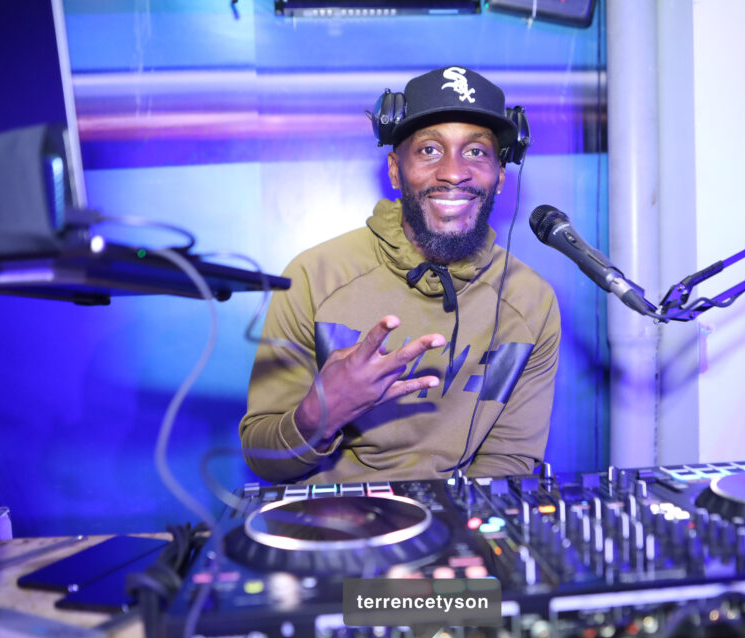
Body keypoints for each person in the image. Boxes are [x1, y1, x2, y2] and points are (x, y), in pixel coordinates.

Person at [239, 66, 560, 484]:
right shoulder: (314, 276)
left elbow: (509, 460)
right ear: (395, 170)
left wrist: (456, 519)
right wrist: (320, 415)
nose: (453, 172)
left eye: (476, 152)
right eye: (429, 149)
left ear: (500, 176)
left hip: (462, 517)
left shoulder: (531, 300)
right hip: (333, 515)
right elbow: (263, 457)